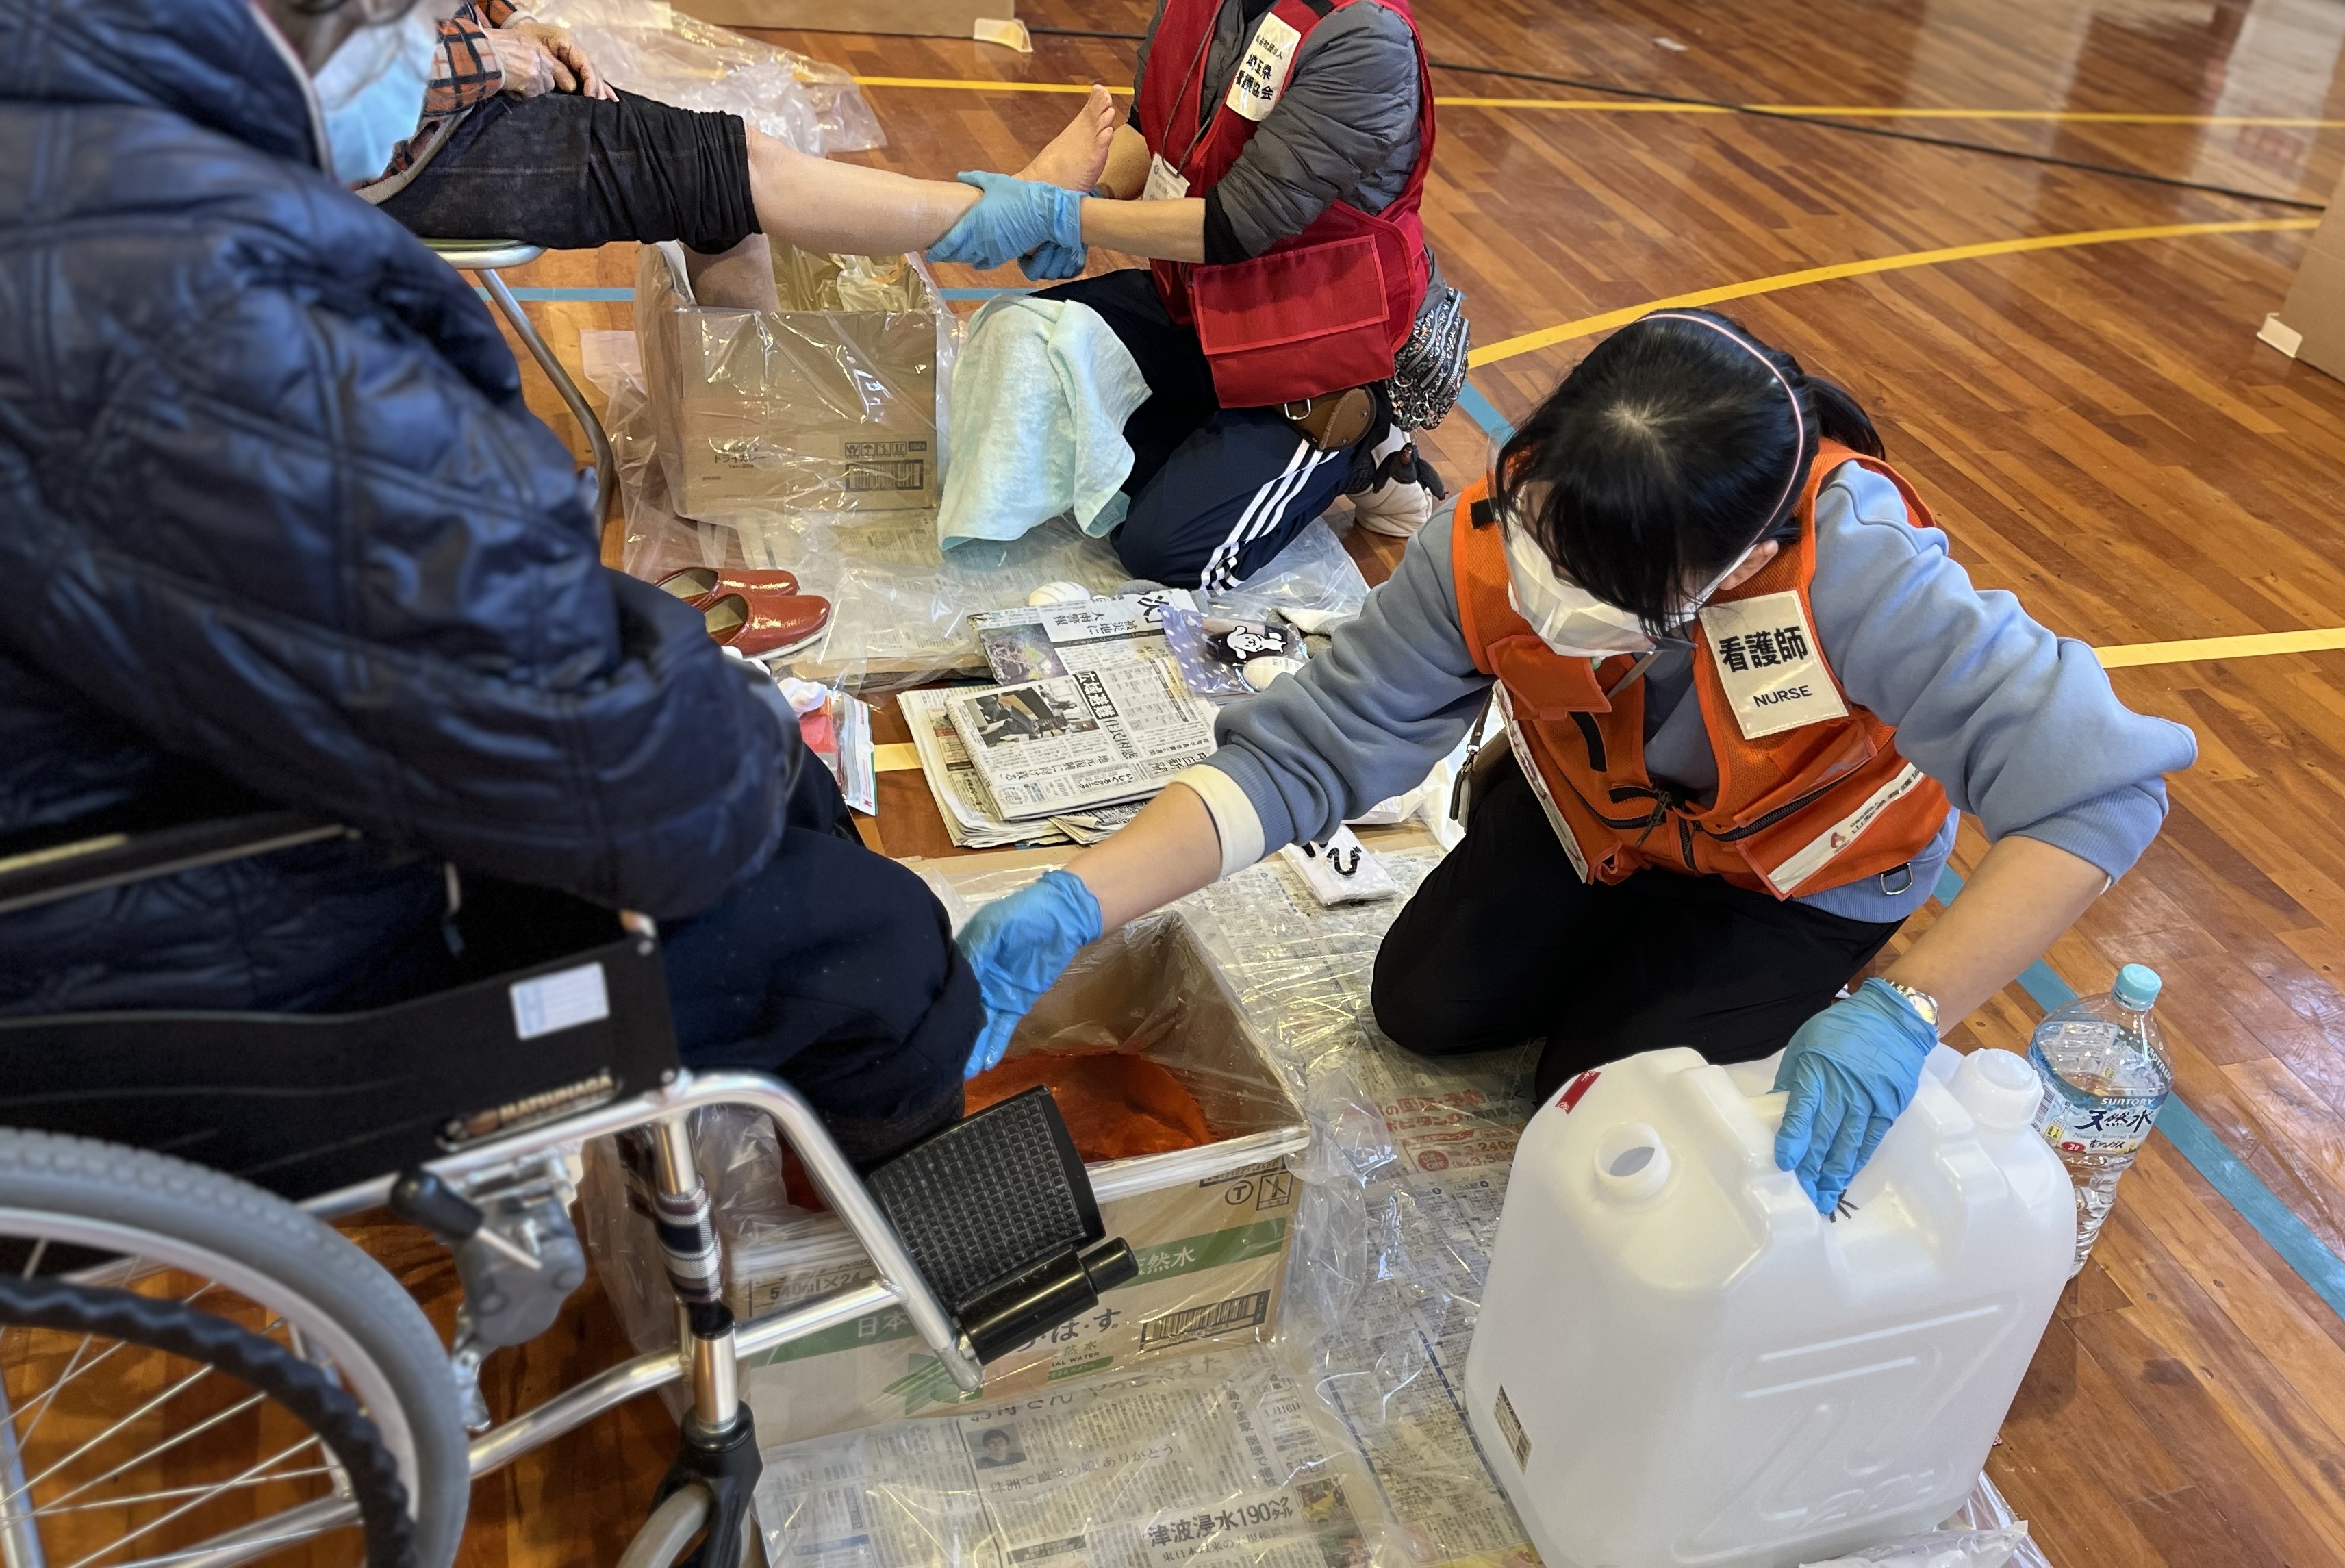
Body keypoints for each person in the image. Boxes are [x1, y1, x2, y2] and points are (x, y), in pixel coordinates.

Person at [0, 0, 1006, 1163]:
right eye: (424, 20)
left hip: (120, 818)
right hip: (178, 945)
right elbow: (618, 781)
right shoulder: (187, 300)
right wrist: (743, 739)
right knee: (880, 960)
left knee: (755, 769)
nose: (437, 45)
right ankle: (879, 1307)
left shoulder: (89, 156)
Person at [953, 309, 2199, 1212]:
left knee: (1593, 1108)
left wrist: (1908, 1010)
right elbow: (1312, 750)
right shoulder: (1486, 536)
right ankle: (1615, 948)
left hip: (1795, 879)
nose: (1545, 596)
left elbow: (2098, 792)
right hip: (1590, 821)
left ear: (1743, 569)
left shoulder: (1861, 571)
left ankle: (1742, 986)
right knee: (1424, 1009)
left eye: (1609, 592)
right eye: (1542, 530)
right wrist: (1080, 896)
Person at [926, 0, 1454, 591]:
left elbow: (1235, 226)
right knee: (1023, 341)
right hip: (1202, 304)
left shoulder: (1365, 36)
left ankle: (1363, 447)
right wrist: (1087, 192)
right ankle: (1223, 439)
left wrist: (1063, 216)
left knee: (1166, 552)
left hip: (1317, 346)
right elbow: (1148, 132)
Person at [339, 1, 1115, 308]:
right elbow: (307, 68)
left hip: (441, 102)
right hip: (383, 154)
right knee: (728, 169)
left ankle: (742, 453)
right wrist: (490, 57)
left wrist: (509, 25)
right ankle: (1008, 212)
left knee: (721, 175)